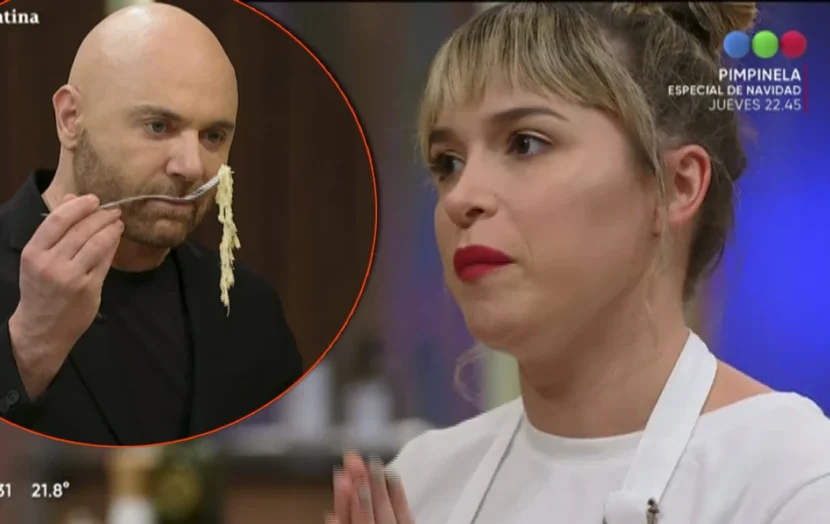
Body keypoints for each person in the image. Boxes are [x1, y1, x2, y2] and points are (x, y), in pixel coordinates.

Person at [327, 3, 830, 523]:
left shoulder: (792, 481)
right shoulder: (419, 483)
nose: (460, 197)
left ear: (676, 186)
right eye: (447, 163)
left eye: (525, 144)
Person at [0, 3, 303, 446]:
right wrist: (28, 347)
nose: (192, 166)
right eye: (158, 126)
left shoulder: (249, 311)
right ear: (70, 119)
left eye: (213, 136)